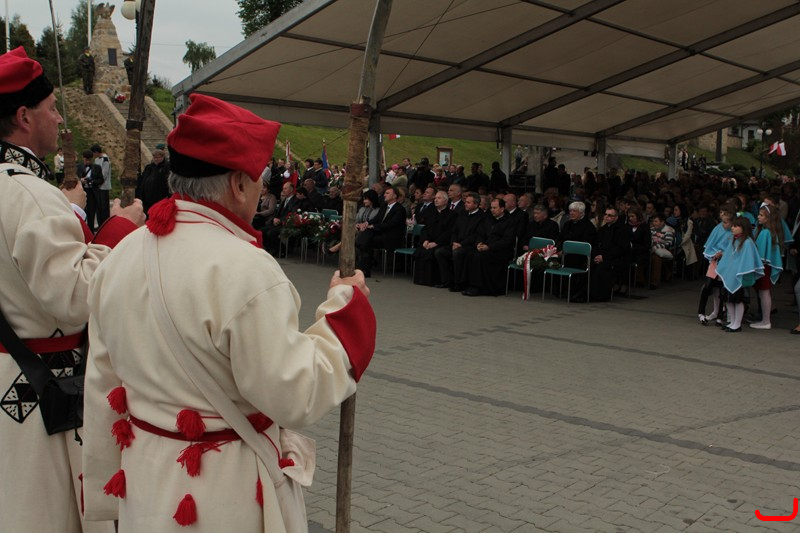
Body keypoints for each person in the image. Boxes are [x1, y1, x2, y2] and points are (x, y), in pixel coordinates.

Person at [82, 94, 376, 531]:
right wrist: (345, 311)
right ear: (238, 183)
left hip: (144, 477)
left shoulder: (122, 254)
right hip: (223, 492)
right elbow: (295, 392)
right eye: (259, 180)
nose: (262, 190)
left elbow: (103, 387)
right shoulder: (246, 268)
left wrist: (104, 484)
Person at [0, 46, 144, 533]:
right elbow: (77, 299)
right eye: (51, 109)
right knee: (44, 514)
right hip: (42, 389)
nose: (59, 118)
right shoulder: (29, 194)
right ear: (24, 117)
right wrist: (120, 230)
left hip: (12, 373)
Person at [715, 217, 763, 332]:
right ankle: (732, 321)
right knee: (728, 299)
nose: (732, 228)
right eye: (733, 225)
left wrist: (739, 271)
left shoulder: (748, 242)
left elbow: (748, 261)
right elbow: (729, 257)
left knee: (738, 300)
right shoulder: (734, 240)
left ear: (744, 228)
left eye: (736, 226)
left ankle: (737, 323)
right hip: (730, 276)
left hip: (739, 277)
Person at [355, 186, 407, 277]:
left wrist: (373, 226)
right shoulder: (384, 206)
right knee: (365, 238)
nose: (384, 195)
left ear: (394, 196)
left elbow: (391, 224)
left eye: (387, 193)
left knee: (364, 240)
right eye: (385, 193)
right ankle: (364, 268)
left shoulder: (400, 209)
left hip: (391, 237)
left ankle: (363, 267)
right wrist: (366, 223)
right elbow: (377, 219)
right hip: (380, 234)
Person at [750, 203, 785, 330]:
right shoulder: (769, 231)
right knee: (764, 293)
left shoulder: (765, 232)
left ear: (768, 218)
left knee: (764, 293)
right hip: (766, 267)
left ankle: (766, 321)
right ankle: (765, 320)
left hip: (764, 267)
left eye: (761, 215)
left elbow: (760, 253)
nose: (758, 217)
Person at [413, 190, 454, 286]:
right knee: (421, 251)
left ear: (445, 201)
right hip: (429, 241)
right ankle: (421, 279)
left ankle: (435, 280)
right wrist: (425, 240)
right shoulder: (431, 213)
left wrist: (436, 243)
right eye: (435, 198)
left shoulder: (452, 215)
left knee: (433, 252)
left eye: (439, 198)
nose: (436, 200)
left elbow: (449, 232)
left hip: (442, 243)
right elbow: (425, 229)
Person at [136, 148, 171, 215]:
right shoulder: (149, 167)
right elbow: (142, 179)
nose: (155, 159)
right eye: (154, 157)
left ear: (162, 157)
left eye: (157, 157)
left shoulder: (167, 167)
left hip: (159, 197)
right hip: (146, 198)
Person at [92, 144, 112, 227]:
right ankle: (100, 223)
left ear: (96, 152)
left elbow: (104, 174)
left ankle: (105, 224)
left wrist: (99, 182)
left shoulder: (105, 159)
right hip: (97, 185)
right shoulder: (96, 160)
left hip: (104, 186)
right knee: (98, 206)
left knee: (104, 206)